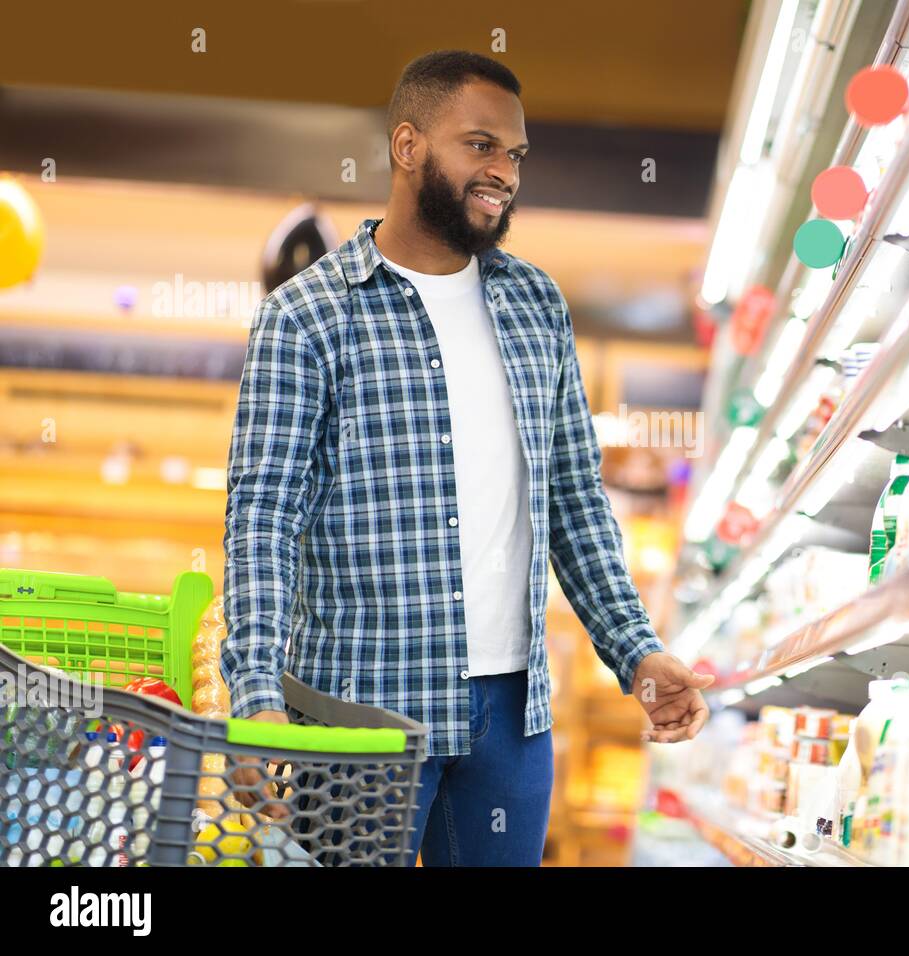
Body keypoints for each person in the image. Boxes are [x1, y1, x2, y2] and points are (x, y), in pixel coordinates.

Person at [220, 50, 713, 866]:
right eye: (480, 145)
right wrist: (257, 697)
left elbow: (572, 501)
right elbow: (262, 520)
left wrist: (636, 650)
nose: (503, 173)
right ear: (408, 145)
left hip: (512, 722)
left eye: (514, 154)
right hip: (357, 718)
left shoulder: (535, 304)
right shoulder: (306, 318)